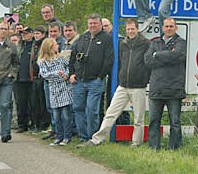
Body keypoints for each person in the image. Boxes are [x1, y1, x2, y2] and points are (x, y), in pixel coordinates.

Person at [77, 18, 150, 148]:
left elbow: (148, 63)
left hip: (138, 85)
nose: (130, 31)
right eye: (128, 29)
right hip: (122, 85)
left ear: (137, 29)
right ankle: (96, 140)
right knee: (110, 113)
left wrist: (145, 77)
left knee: (139, 118)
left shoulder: (146, 43)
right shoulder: (123, 44)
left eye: (133, 29)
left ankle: (136, 143)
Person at [69, 13, 113, 141]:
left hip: (95, 81)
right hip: (79, 81)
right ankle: (83, 137)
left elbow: (109, 59)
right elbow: (73, 56)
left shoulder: (106, 39)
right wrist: (72, 73)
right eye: (90, 23)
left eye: (95, 23)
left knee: (91, 109)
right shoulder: (83, 37)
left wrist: (101, 76)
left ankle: (92, 137)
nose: (92, 26)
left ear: (100, 24)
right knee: (78, 108)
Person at [145, 17, 187, 150]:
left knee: (175, 122)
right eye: (166, 26)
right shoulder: (155, 43)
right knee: (153, 121)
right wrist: (168, 55)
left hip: (174, 89)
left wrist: (157, 55)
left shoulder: (181, 42)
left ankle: (174, 149)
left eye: (171, 26)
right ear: (162, 28)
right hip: (156, 88)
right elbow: (148, 61)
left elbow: (178, 56)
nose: (169, 29)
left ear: (176, 28)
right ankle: (154, 148)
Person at [38, 38, 73, 146]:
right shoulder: (42, 61)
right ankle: (58, 136)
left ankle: (67, 136)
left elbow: (68, 68)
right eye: (55, 44)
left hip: (65, 89)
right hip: (53, 90)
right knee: (56, 115)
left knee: (66, 115)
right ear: (50, 46)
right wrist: (59, 73)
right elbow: (45, 75)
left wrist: (65, 75)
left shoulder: (60, 58)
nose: (58, 45)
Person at [30, 25, 50, 133]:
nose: (36, 36)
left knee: (43, 102)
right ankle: (36, 123)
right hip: (35, 77)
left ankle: (43, 124)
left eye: (38, 33)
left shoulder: (44, 44)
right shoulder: (35, 45)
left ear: (43, 34)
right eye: (35, 33)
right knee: (35, 102)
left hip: (43, 77)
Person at [15, 27, 34, 133]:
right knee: (21, 103)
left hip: (31, 78)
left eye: (26, 33)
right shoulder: (20, 46)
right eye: (23, 34)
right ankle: (22, 124)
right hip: (20, 78)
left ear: (31, 34)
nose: (24, 35)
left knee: (32, 103)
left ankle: (33, 123)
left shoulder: (34, 45)